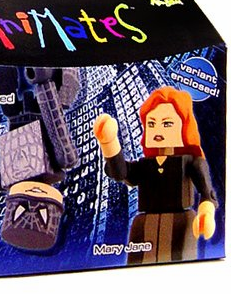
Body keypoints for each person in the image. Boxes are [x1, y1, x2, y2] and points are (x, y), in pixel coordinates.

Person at [93, 86, 217, 264]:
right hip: (144, 225)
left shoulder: (190, 162)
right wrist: (109, 142)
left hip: (180, 223)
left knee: (179, 263)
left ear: (184, 126)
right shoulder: (146, 165)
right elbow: (121, 173)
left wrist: (206, 212)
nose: (158, 130)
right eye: (151, 124)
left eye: (167, 124)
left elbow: (207, 193)